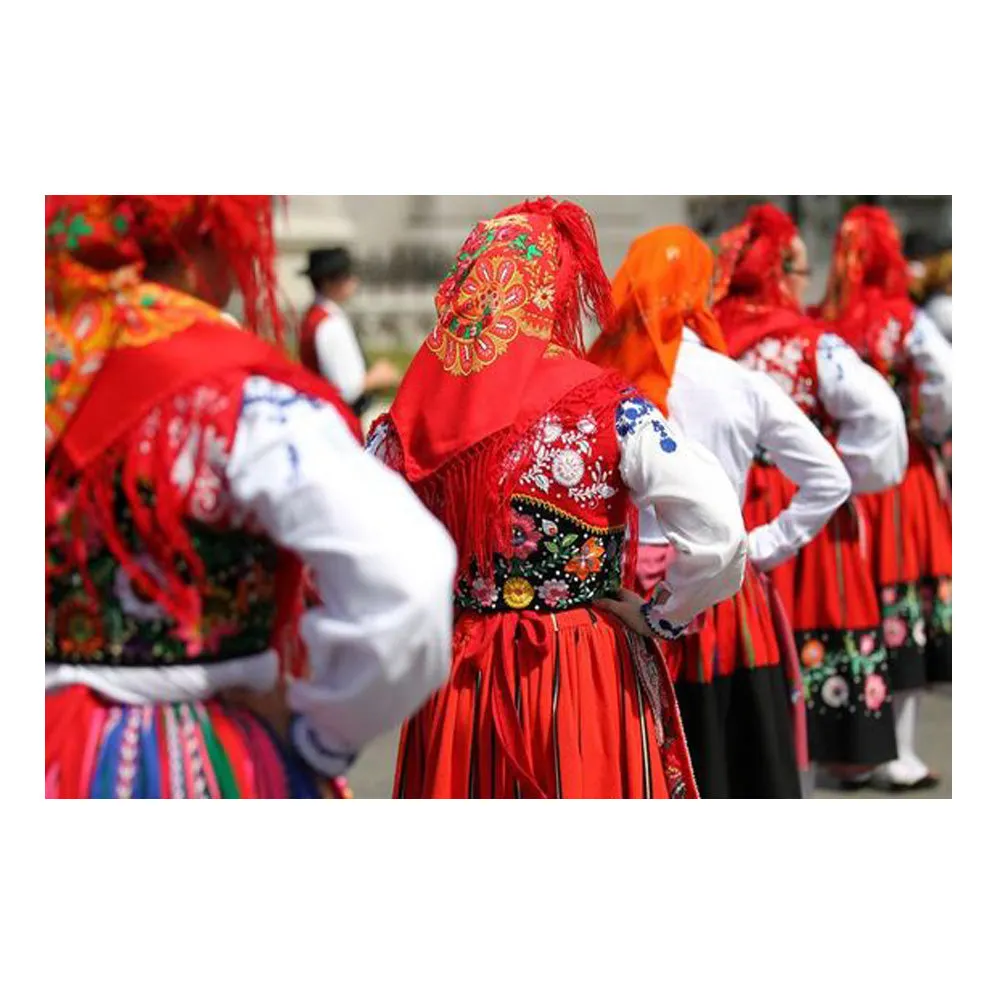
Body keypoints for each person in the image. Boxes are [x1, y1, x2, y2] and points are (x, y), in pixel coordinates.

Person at [45, 195, 456, 798]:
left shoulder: (54, 364)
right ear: (199, 247)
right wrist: (324, 731)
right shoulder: (243, 399)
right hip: (197, 751)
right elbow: (408, 583)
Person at [367, 198, 747, 799]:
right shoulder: (608, 406)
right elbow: (719, 534)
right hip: (579, 668)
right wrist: (662, 615)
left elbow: (357, 552)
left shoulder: (412, 416)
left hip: (460, 675)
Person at [589, 226, 851, 798]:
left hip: (621, 589)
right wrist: (763, 544)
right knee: (733, 749)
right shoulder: (738, 382)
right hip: (721, 581)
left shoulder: (596, 379)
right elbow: (829, 478)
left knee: (635, 756)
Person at [712, 204, 908, 781]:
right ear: (779, 275)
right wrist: (847, 470)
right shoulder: (809, 345)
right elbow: (881, 418)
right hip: (806, 505)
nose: (806, 284)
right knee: (814, 624)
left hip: (732, 503)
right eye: (798, 271)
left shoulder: (706, 339)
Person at [819, 206, 952, 791]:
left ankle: (845, 754)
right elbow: (948, 381)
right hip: (899, 480)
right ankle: (897, 750)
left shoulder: (824, 322)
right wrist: (927, 426)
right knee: (902, 607)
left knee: (853, 602)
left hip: (840, 476)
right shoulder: (907, 321)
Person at [298, 247, 400, 416]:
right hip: (342, 418)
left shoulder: (318, 317)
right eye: (346, 276)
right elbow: (346, 390)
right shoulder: (330, 324)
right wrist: (377, 378)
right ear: (328, 282)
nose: (354, 281)